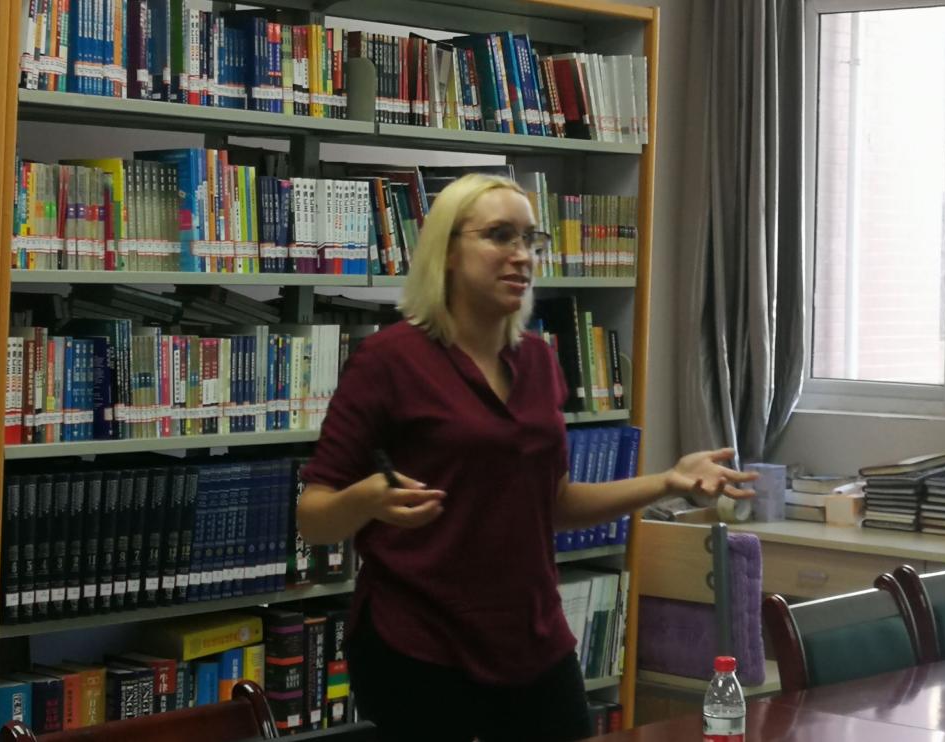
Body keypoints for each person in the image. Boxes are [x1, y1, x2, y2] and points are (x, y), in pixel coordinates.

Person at [296, 174, 756, 742]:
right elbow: (314, 518)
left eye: (530, 240)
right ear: (447, 251)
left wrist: (668, 481)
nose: (521, 255)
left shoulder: (538, 361)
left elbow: (555, 504)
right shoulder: (387, 361)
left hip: (532, 637)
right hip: (420, 643)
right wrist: (367, 499)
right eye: (499, 236)